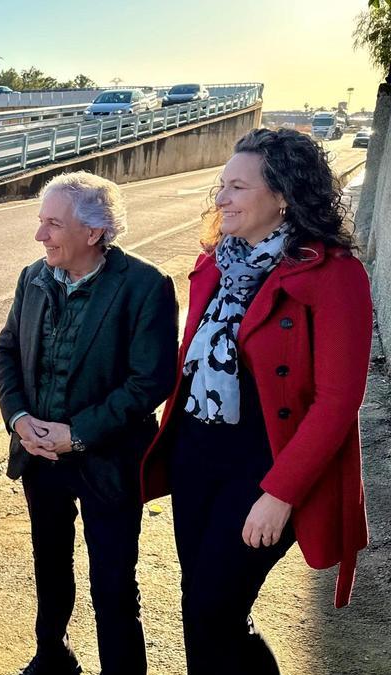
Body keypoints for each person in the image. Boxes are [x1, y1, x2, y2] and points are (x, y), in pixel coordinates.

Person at [140, 128, 373, 674]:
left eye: (237, 187)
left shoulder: (333, 274)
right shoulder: (215, 263)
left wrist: (280, 493)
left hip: (265, 467)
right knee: (202, 606)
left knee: (213, 607)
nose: (220, 199)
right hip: (196, 457)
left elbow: (339, 400)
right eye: (221, 185)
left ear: (283, 195)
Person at [0, 171, 179, 675]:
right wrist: (18, 417)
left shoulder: (145, 285)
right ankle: (53, 656)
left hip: (109, 460)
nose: (40, 236)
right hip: (40, 456)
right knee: (50, 568)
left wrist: (77, 433)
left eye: (52, 224)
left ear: (94, 233)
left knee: (114, 585)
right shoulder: (33, 277)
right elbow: (8, 349)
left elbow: (150, 382)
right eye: (41, 222)